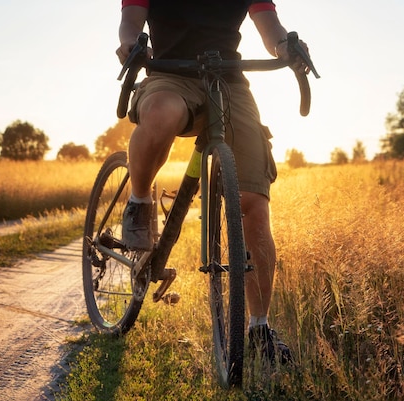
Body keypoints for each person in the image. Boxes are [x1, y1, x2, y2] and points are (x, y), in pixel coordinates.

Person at [116, 0, 309, 363]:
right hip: (170, 74)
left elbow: (272, 30)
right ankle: (139, 203)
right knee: (162, 112)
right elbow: (130, 23)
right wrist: (132, 44)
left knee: (252, 202)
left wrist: (288, 47)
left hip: (229, 80)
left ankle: (259, 328)